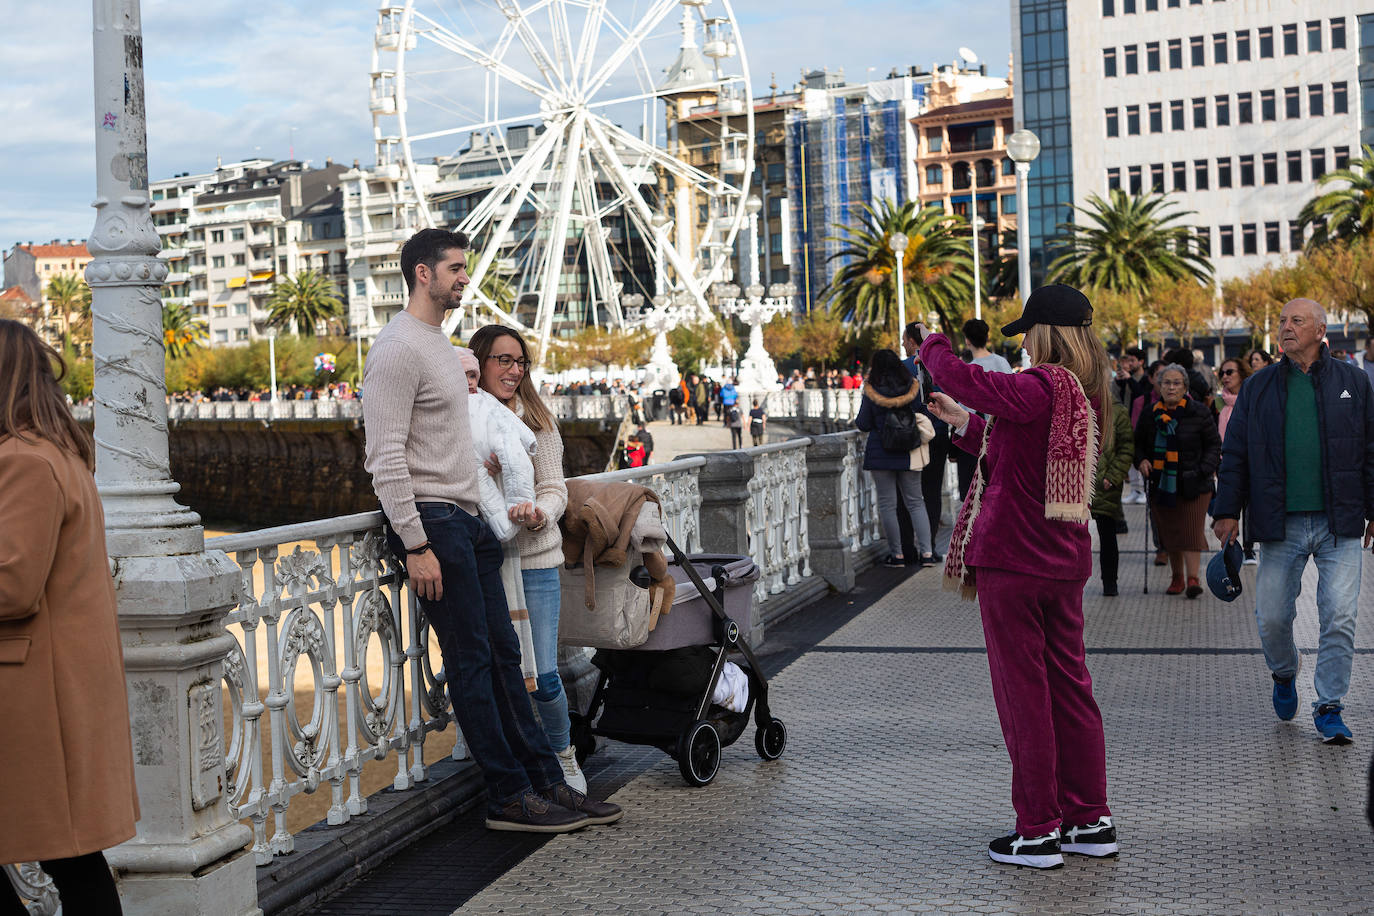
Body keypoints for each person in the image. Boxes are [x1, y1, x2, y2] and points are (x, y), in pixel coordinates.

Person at [363, 229, 617, 832]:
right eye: (454, 268)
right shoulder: (398, 347)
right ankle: (508, 797)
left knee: (506, 659)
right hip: (435, 525)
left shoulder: (438, 344)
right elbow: (385, 455)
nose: (463, 278)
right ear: (422, 274)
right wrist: (415, 543)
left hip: (470, 521)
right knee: (474, 664)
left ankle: (547, 781)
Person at [917, 283, 1117, 870]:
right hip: (1062, 558)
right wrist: (965, 424)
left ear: (1047, 334)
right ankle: (1090, 819)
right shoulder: (1085, 392)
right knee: (1071, 690)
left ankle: (1037, 830)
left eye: (1028, 332)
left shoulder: (1039, 384)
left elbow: (971, 379)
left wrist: (931, 345)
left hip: (1015, 560)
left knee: (1023, 696)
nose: (1024, 343)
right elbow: (1014, 454)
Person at [0, 320, 139, 913]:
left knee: (73, 858)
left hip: (34, 691)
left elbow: (12, 585)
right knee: (75, 858)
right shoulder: (59, 453)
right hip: (59, 684)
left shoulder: (23, 461)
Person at [1213, 298, 1374, 746]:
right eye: (1283, 321)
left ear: (1320, 329)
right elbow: (1237, 453)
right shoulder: (1259, 386)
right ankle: (1285, 673)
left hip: (1339, 521)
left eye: (1295, 321)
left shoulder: (1354, 383)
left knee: (1340, 616)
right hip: (1278, 521)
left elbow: (1371, 450)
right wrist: (1226, 510)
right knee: (1272, 618)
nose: (1285, 328)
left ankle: (1329, 706)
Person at [469, 323, 596, 795]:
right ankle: (518, 763)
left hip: (536, 560)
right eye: (503, 359)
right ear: (480, 362)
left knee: (542, 675)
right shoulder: (462, 418)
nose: (513, 369)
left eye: (520, 361)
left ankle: (564, 757)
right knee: (499, 674)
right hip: (487, 562)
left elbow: (554, 487)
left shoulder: (537, 421)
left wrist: (539, 514)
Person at [1134, 364, 1221, 598]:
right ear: (1159, 386)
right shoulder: (1150, 413)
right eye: (1166, 383)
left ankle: (1193, 578)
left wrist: (1204, 469)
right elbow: (1138, 444)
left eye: (1176, 383)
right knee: (1171, 532)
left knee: (1191, 531)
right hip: (1162, 482)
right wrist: (1141, 460)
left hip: (1195, 483)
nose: (1171, 387)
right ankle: (1177, 578)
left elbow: (1214, 445)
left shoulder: (1199, 412)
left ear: (1185, 387)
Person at [854, 349, 935, 569]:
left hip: (881, 454)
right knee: (916, 502)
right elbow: (923, 413)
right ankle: (927, 553)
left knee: (888, 505)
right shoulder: (911, 385)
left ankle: (897, 555)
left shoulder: (871, 390)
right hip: (908, 450)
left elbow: (863, 423)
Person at [953, 319, 1014, 501]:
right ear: (987, 337)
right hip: (1002, 433)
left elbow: (965, 408)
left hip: (976, 437)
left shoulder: (968, 369)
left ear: (967, 340)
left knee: (975, 493)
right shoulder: (1002, 363)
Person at [1090, 394, 1136, 597]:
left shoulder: (1116, 409)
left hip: (1105, 482)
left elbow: (1126, 446)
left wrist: (1113, 476)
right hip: (1076, 481)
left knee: (1107, 535)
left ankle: (1110, 582)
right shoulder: (1070, 401)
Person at [1216, 357, 1257, 564]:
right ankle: (1232, 547)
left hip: (1248, 461)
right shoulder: (1218, 402)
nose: (1225, 377)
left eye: (1230, 372)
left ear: (1241, 373)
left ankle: (1249, 548)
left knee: (1248, 506)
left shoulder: (1252, 400)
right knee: (1228, 505)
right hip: (1225, 462)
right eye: (1222, 373)